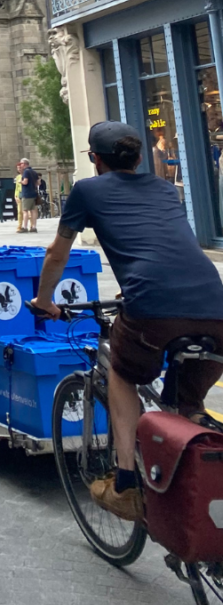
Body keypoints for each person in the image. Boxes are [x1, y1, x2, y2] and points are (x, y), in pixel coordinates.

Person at [32, 122, 223, 523]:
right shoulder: (163, 189)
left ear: (95, 160)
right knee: (185, 404)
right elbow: (168, 244)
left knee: (121, 374)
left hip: (152, 306)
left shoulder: (87, 190)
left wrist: (44, 300)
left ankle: (125, 481)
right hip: (214, 304)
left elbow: (56, 254)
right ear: (138, 159)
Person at [19, 157, 39, 232]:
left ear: (24, 164)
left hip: (27, 194)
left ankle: (24, 227)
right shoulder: (34, 172)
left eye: (21, 164)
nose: (20, 165)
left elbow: (25, 182)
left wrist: (20, 181)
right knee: (33, 211)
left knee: (25, 211)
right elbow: (38, 183)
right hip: (34, 193)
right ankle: (34, 227)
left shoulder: (26, 172)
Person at [13, 161, 24, 232]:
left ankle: (30, 225)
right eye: (18, 168)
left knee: (27, 212)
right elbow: (16, 187)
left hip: (26, 194)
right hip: (19, 194)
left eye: (20, 168)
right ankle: (19, 225)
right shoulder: (17, 177)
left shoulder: (26, 175)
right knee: (19, 211)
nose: (19, 169)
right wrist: (15, 196)